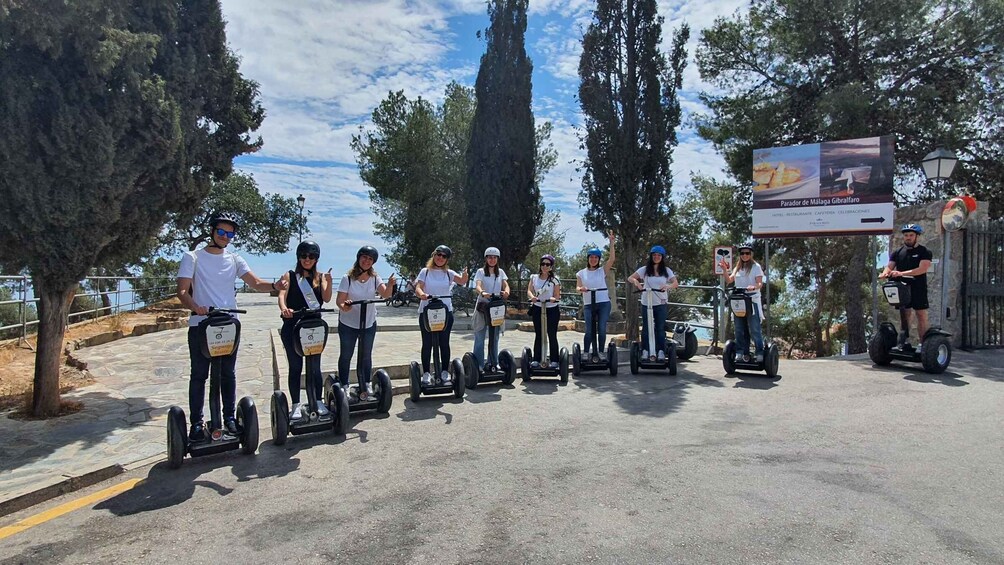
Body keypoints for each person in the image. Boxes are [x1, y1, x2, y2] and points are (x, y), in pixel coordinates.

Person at [176, 212, 288, 441]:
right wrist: (196, 307)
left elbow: (255, 283)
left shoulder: (235, 259)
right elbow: (181, 291)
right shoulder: (193, 257)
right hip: (201, 324)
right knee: (199, 375)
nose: (225, 237)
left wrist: (275, 285)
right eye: (221, 232)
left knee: (228, 373)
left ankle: (228, 418)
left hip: (228, 323)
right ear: (212, 231)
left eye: (230, 234)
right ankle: (196, 423)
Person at [276, 241, 333, 420]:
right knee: (295, 366)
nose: (307, 260)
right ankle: (296, 405)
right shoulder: (291, 275)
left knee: (315, 367)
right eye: (304, 256)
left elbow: (327, 298)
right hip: (293, 326)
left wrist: (329, 282)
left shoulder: (320, 277)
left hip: (313, 326)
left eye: (311, 256)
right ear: (298, 257)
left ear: (316, 258)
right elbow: (281, 295)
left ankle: (318, 401)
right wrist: (284, 308)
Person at [336, 246, 395, 401]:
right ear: (359, 258)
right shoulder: (347, 278)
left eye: (370, 259)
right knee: (346, 354)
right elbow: (340, 301)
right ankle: (344, 384)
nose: (366, 261)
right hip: (348, 323)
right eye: (364, 257)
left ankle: (366, 383)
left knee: (366, 355)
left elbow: (385, 294)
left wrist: (390, 285)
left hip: (368, 323)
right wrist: (346, 307)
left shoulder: (375, 278)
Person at [414, 245, 469, 385]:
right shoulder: (425, 272)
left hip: (445, 312)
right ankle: (426, 372)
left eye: (444, 256)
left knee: (444, 343)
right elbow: (418, 287)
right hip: (427, 311)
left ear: (447, 259)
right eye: (438, 254)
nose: (440, 258)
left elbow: (462, 282)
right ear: (434, 255)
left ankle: (445, 371)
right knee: (427, 344)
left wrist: (465, 275)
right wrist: (422, 295)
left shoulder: (449, 273)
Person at [879, 223, 933, 349]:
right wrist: (885, 273)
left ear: (916, 237)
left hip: (918, 287)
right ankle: (904, 342)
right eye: (906, 235)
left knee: (921, 315)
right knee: (905, 314)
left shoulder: (924, 252)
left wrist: (900, 273)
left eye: (911, 235)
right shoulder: (897, 253)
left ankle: (923, 344)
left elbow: (922, 269)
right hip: (902, 289)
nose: (908, 238)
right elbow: (890, 266)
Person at [627, 245, 679, 360]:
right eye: (654, 255)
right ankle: (645, 350)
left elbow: (675, 284)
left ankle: (660, 351)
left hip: (661, 303)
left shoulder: (666, 271)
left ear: (662, 257)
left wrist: (667, 286)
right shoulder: (645, 269)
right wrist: (636, 282)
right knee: (646, 327)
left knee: (660, 328)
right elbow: (630, 278)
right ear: (651, 256)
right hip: (647, 303)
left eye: (659, 255)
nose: (656, 257)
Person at [718, 242, 765, 362]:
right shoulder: (737, 268)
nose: (745, 255)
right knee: (739, 328)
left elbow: (760, 283)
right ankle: (740, 351)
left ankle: (760, 352)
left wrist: (753, 287)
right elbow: (729, 280)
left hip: (752, 300)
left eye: (747, 253)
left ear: (751, 254)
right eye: (742, 253)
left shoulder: (756, 267)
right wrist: (724, 269)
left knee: (754, 328)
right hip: (739, 301)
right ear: (740, 255)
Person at [576, 230, 617, 360]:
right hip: (589, 304)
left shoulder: (602, 271)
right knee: (589, 329)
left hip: (603, 303)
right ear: (588, 258)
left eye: (596, 258)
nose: (593, 259)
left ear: (598, 259)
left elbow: (612, 259)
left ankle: (600, 352)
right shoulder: (581, 273)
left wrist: (611, 242)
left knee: (602, 328)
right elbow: (577, 287)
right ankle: (586, 352)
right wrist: (581, 289)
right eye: (591, 257)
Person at [472, 247, 510, 372]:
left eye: (494, 257)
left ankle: (493, 362)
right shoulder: (480, 272)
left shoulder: (501, 272)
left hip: (496, 306)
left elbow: (506, 285)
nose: (492, 260)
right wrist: (483, 292)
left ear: (497, 259)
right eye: (490, 257)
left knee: (495, 337)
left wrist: (506, 292)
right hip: (483, 306)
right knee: (480, 335)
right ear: (486, 259)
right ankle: (479, 365)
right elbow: (477, 285)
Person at [527, 254, 561, 368]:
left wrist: (553, 299)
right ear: (540, 265)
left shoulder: (555, 280)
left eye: (547, 264)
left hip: (551, 309)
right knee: (539, 334)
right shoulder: (534, 277)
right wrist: (532, 296)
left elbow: (557, 295)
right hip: (537, 307)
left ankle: (554, 360)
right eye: (543, 264)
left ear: (551, 267)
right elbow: (529, 290)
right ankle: (536, 359)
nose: (545, 266)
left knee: (552, 334)